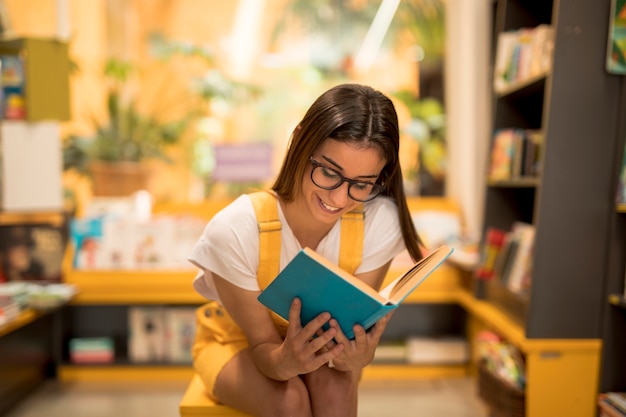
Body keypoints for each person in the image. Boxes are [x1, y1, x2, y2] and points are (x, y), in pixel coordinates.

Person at [188, 83, 423, 417]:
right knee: (291, 400)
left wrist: (358, 357)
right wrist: (286, 362)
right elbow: (262, 347)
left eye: (361, 184)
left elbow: (344, 338)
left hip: (322, 346)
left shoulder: (378, 220)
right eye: (329, 171)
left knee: (335, 390)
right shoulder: (236, 229)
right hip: (236, 344)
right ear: (299, 138)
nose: (339, 199)